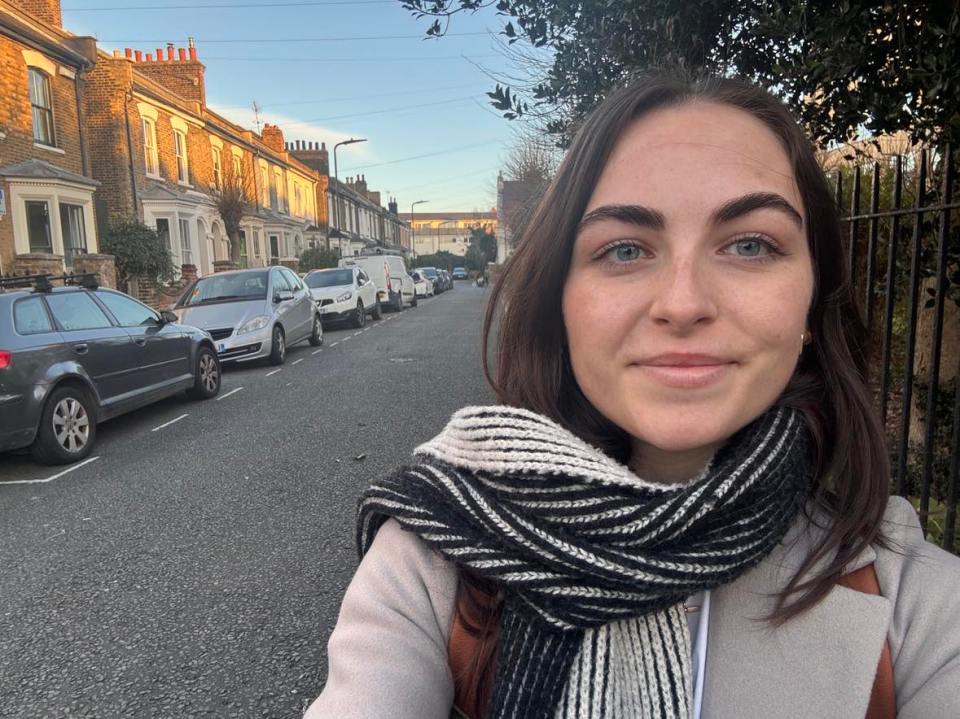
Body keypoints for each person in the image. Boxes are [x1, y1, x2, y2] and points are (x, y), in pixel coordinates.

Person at [304, 74, 960, 719]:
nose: (682, 303)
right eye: (623, 249)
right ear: (562, 300)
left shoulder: (917, 605)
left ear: (813, 301)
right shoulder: (435, 560)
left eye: (751, 244)